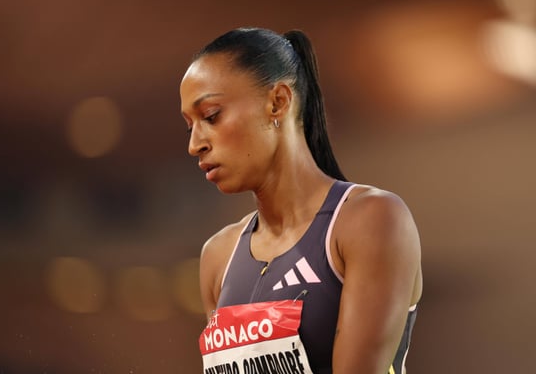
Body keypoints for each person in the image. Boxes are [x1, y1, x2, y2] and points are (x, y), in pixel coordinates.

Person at [180, 27, 422, 374]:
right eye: (189, 126)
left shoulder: (370, 219)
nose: (195, 145)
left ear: (278, 102)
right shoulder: (218, 256)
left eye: (211, 116)